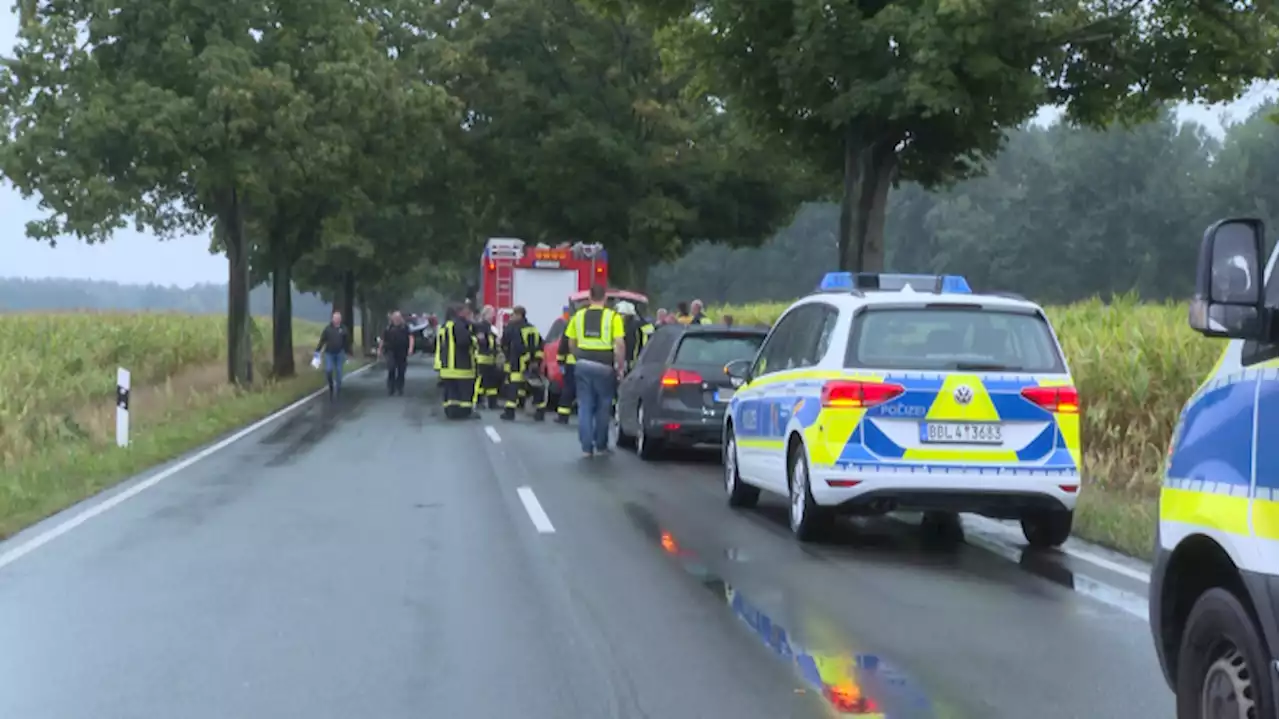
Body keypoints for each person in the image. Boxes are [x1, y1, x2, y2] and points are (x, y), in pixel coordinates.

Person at [565, 284, 626, 457]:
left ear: (590, 297)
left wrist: (577, 356)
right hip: (604, 365)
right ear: (605, 298)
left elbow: (571, 341)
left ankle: (586, 447)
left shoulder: (578, 316)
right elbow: (619, 344)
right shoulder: (613, 317)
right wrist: (619, 366)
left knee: (585, 405)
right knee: (603, 405)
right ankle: (601, 444)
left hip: (583, 363)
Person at [499, 306, 547, 421]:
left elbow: (507, 344)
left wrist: (508, 357)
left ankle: (509, 412)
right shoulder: (532, 328)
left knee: (513, 386)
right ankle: (540, 412)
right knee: (535, 387)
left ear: (519, 315)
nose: (511, 317)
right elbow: (540, 344)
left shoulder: (513, 328)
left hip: (518, 362)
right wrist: (536, 360)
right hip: (532, 363)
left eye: (513, 315)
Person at [435, 303, 479, 419]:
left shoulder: (444, 326)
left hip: (446, 368)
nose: (468, 314)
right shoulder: (459, 325)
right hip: (461, 367)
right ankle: (464, 413)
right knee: (465, 393)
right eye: (466, 311)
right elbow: (464, 341)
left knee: (451, 393)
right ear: (459, 312)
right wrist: (475, 339)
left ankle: (451, 412)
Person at [315, 311, 351, 401]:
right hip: (329, 353)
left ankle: (338, 388)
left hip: (340, 353)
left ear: (340, 319)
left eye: (338, 318)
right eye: (335, 318)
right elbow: (322, 340)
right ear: (332, 319)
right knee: (329, 370)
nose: (337, 320)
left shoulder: (344, 329)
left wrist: (348, 352)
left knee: (339, 371)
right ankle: (331, 385)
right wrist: (318, 350)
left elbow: (347, 342)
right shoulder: (328, 329)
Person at [473, 305, 502, 409]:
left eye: (493, 313)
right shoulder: (481, 326)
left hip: (491, 358)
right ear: (484, 314)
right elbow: (481, 341)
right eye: (490, 313)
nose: (492, 315)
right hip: (482, 357)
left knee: (492, 382)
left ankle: (492, 403)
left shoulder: (490, 327)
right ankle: (477, 401)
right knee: (481, 381)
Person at [379, 311, 414, 396]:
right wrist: (379, 349)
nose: (397, 320)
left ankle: (400, 387)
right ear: (392, 319)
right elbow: (383, 339)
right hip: (390, 350)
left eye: (398, 318)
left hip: (402, 351)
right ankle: (391, 387)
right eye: (395, 318)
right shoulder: (388, 328)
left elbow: (411, 337)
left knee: (401, 370)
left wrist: (410, 348)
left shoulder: (405, 327)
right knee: (391, 368)